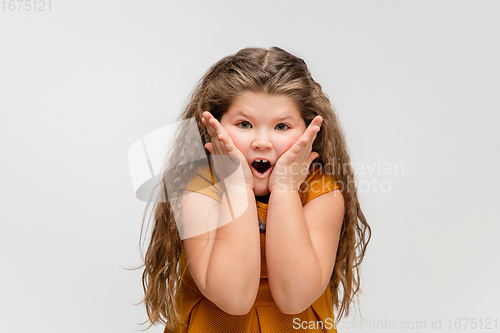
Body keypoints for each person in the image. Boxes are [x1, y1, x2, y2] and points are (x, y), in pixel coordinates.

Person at [138, 46, 371, 332]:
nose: (262, 141)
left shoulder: (323, 193)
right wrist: (236, 185)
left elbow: (294, 298)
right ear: (213, 126)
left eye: (282, 126)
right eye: (244, 124)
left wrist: (285, 189)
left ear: (309, 130)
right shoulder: (197, 190)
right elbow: (233, 298)